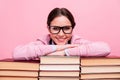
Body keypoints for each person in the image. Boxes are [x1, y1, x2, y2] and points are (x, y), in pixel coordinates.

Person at [13, 7, 111, 60]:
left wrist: (65, 53)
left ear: (73, 28)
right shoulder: (43, 42)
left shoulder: (76, 41)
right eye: (55, 28)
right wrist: (57, 48)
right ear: (48, 28)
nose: (61, 34)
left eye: (66, 28)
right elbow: (17, 53)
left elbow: (105, 48)